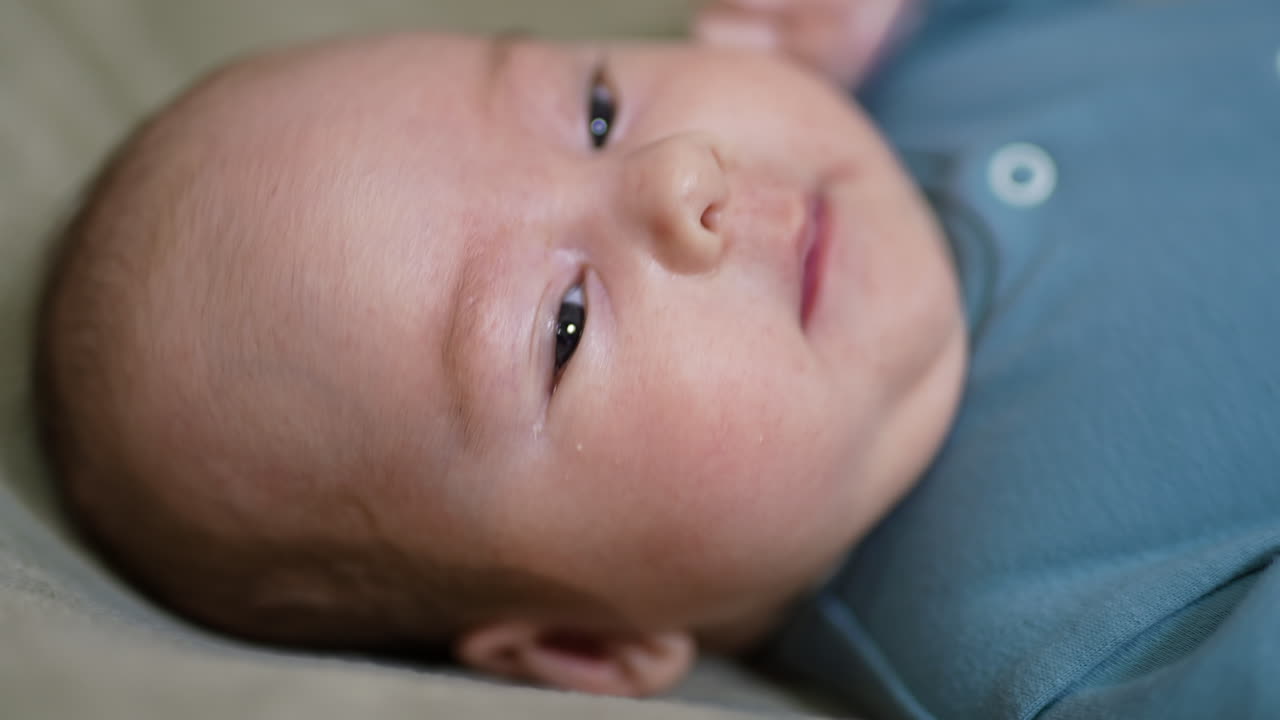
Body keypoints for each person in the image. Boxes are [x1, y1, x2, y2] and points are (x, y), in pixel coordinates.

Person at [33, 0, 1280, 717]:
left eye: (593, 110)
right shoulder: (1056, 642)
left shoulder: (909, 59)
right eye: (562, 330)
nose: (676, 177)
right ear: (586, 647)